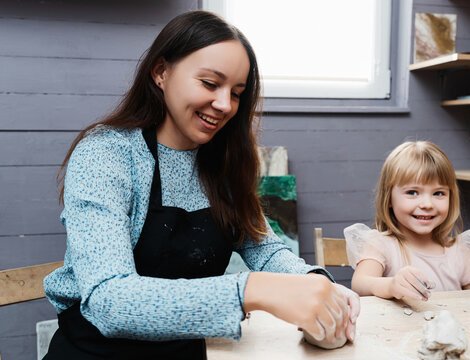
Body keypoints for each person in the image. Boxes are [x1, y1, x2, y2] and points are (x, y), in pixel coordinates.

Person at [43, 10, 359, 359]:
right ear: (161, 72)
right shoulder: (106, 155)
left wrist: (317, 283)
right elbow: (107, 299)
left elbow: (263, 249)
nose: (225, 105)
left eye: (237, 92)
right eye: (210, 84)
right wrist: (251, 289)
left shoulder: (220, 165)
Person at [344, 141, 470, 301]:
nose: (427, 203)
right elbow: (360, 284)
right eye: (412, 192)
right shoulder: (381, 244)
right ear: (389, 199)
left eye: (438, 193)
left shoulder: (459, 251)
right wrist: (392, 285)